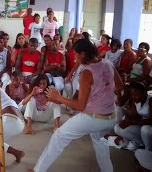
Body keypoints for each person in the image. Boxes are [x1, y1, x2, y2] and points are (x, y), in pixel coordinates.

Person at [29, 39, 124, 172]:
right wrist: (102, 91)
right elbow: (119, 86)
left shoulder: (86, 72)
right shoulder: (108, 64)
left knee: (59, 136)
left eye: (76, 54)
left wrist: (59, 98)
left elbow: (80, 106)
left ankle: (38, 170)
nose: (75, 57)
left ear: (83, 54)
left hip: (95, 118)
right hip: (112, 116)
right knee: (98, 139)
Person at [114, 81, 152, 151]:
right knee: (117, 128)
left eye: (136, 95)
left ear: (144, 93)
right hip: (144, 127)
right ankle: (141, 144)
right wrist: (126, 120)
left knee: (145, 129)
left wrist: (131, 122)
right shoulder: (136, 101)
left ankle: (149, 150)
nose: (134, 97)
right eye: (132, 95)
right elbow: (135, 116)